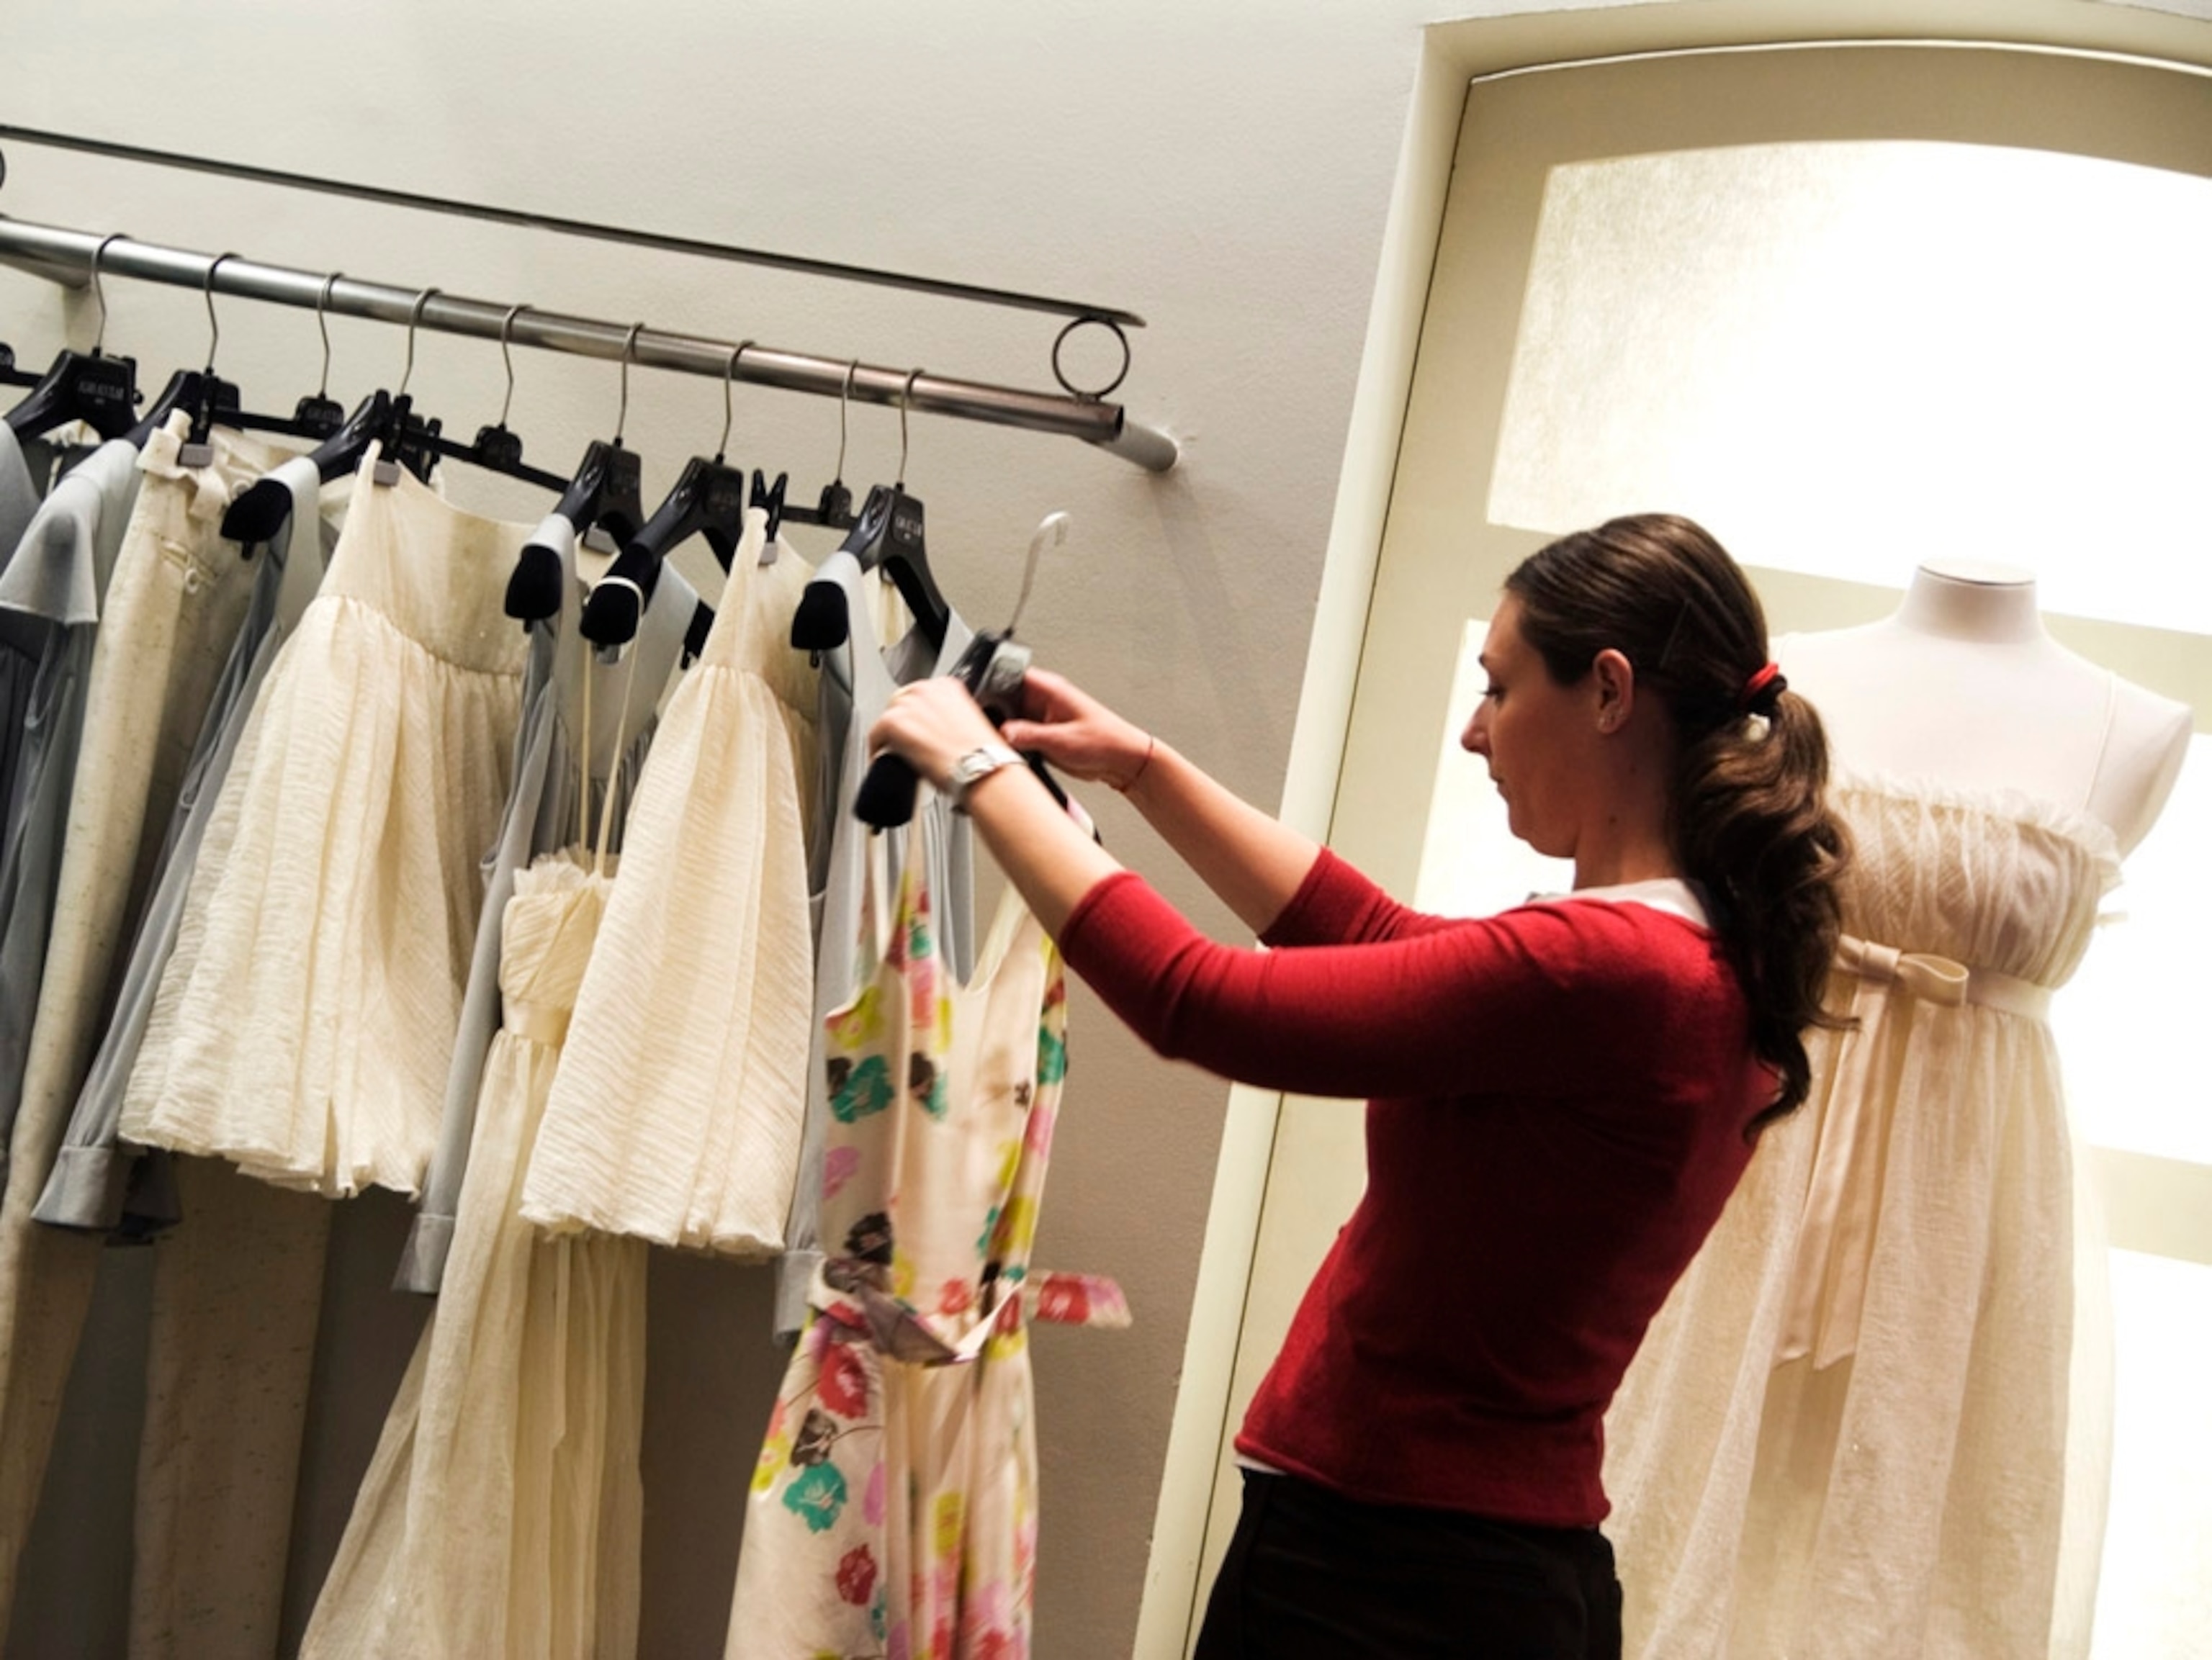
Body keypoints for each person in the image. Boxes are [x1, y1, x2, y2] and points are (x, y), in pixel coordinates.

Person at [869, 513, 1851, 1658]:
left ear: (1611, 691)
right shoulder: (1686, 956)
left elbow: (1201, 1000)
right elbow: (1375, 933)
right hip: (1474, 1569)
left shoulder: (1612, 968)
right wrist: (1141, 766)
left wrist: (983, 771)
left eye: (1500, 687)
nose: (1475, 732)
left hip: (1387, 1579)